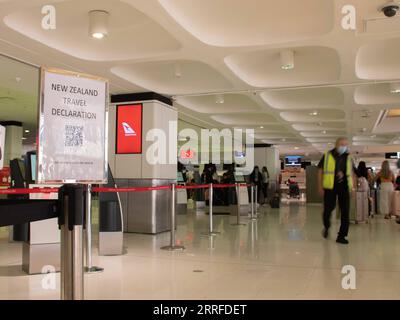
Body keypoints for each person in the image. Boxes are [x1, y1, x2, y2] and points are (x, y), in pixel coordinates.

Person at [318, 137, 355, 244]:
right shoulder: (327, 156)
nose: (343, 147)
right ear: (336, 145)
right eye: (341, 144)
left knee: (345, 211)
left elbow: (351, 173)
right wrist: (319, 186)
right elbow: (320, 171)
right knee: (328, 209)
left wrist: (352, 187)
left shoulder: (348, 157)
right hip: (330, 186)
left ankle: (341, 236)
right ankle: (327, 226)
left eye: (345, 145)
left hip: (344, 186)